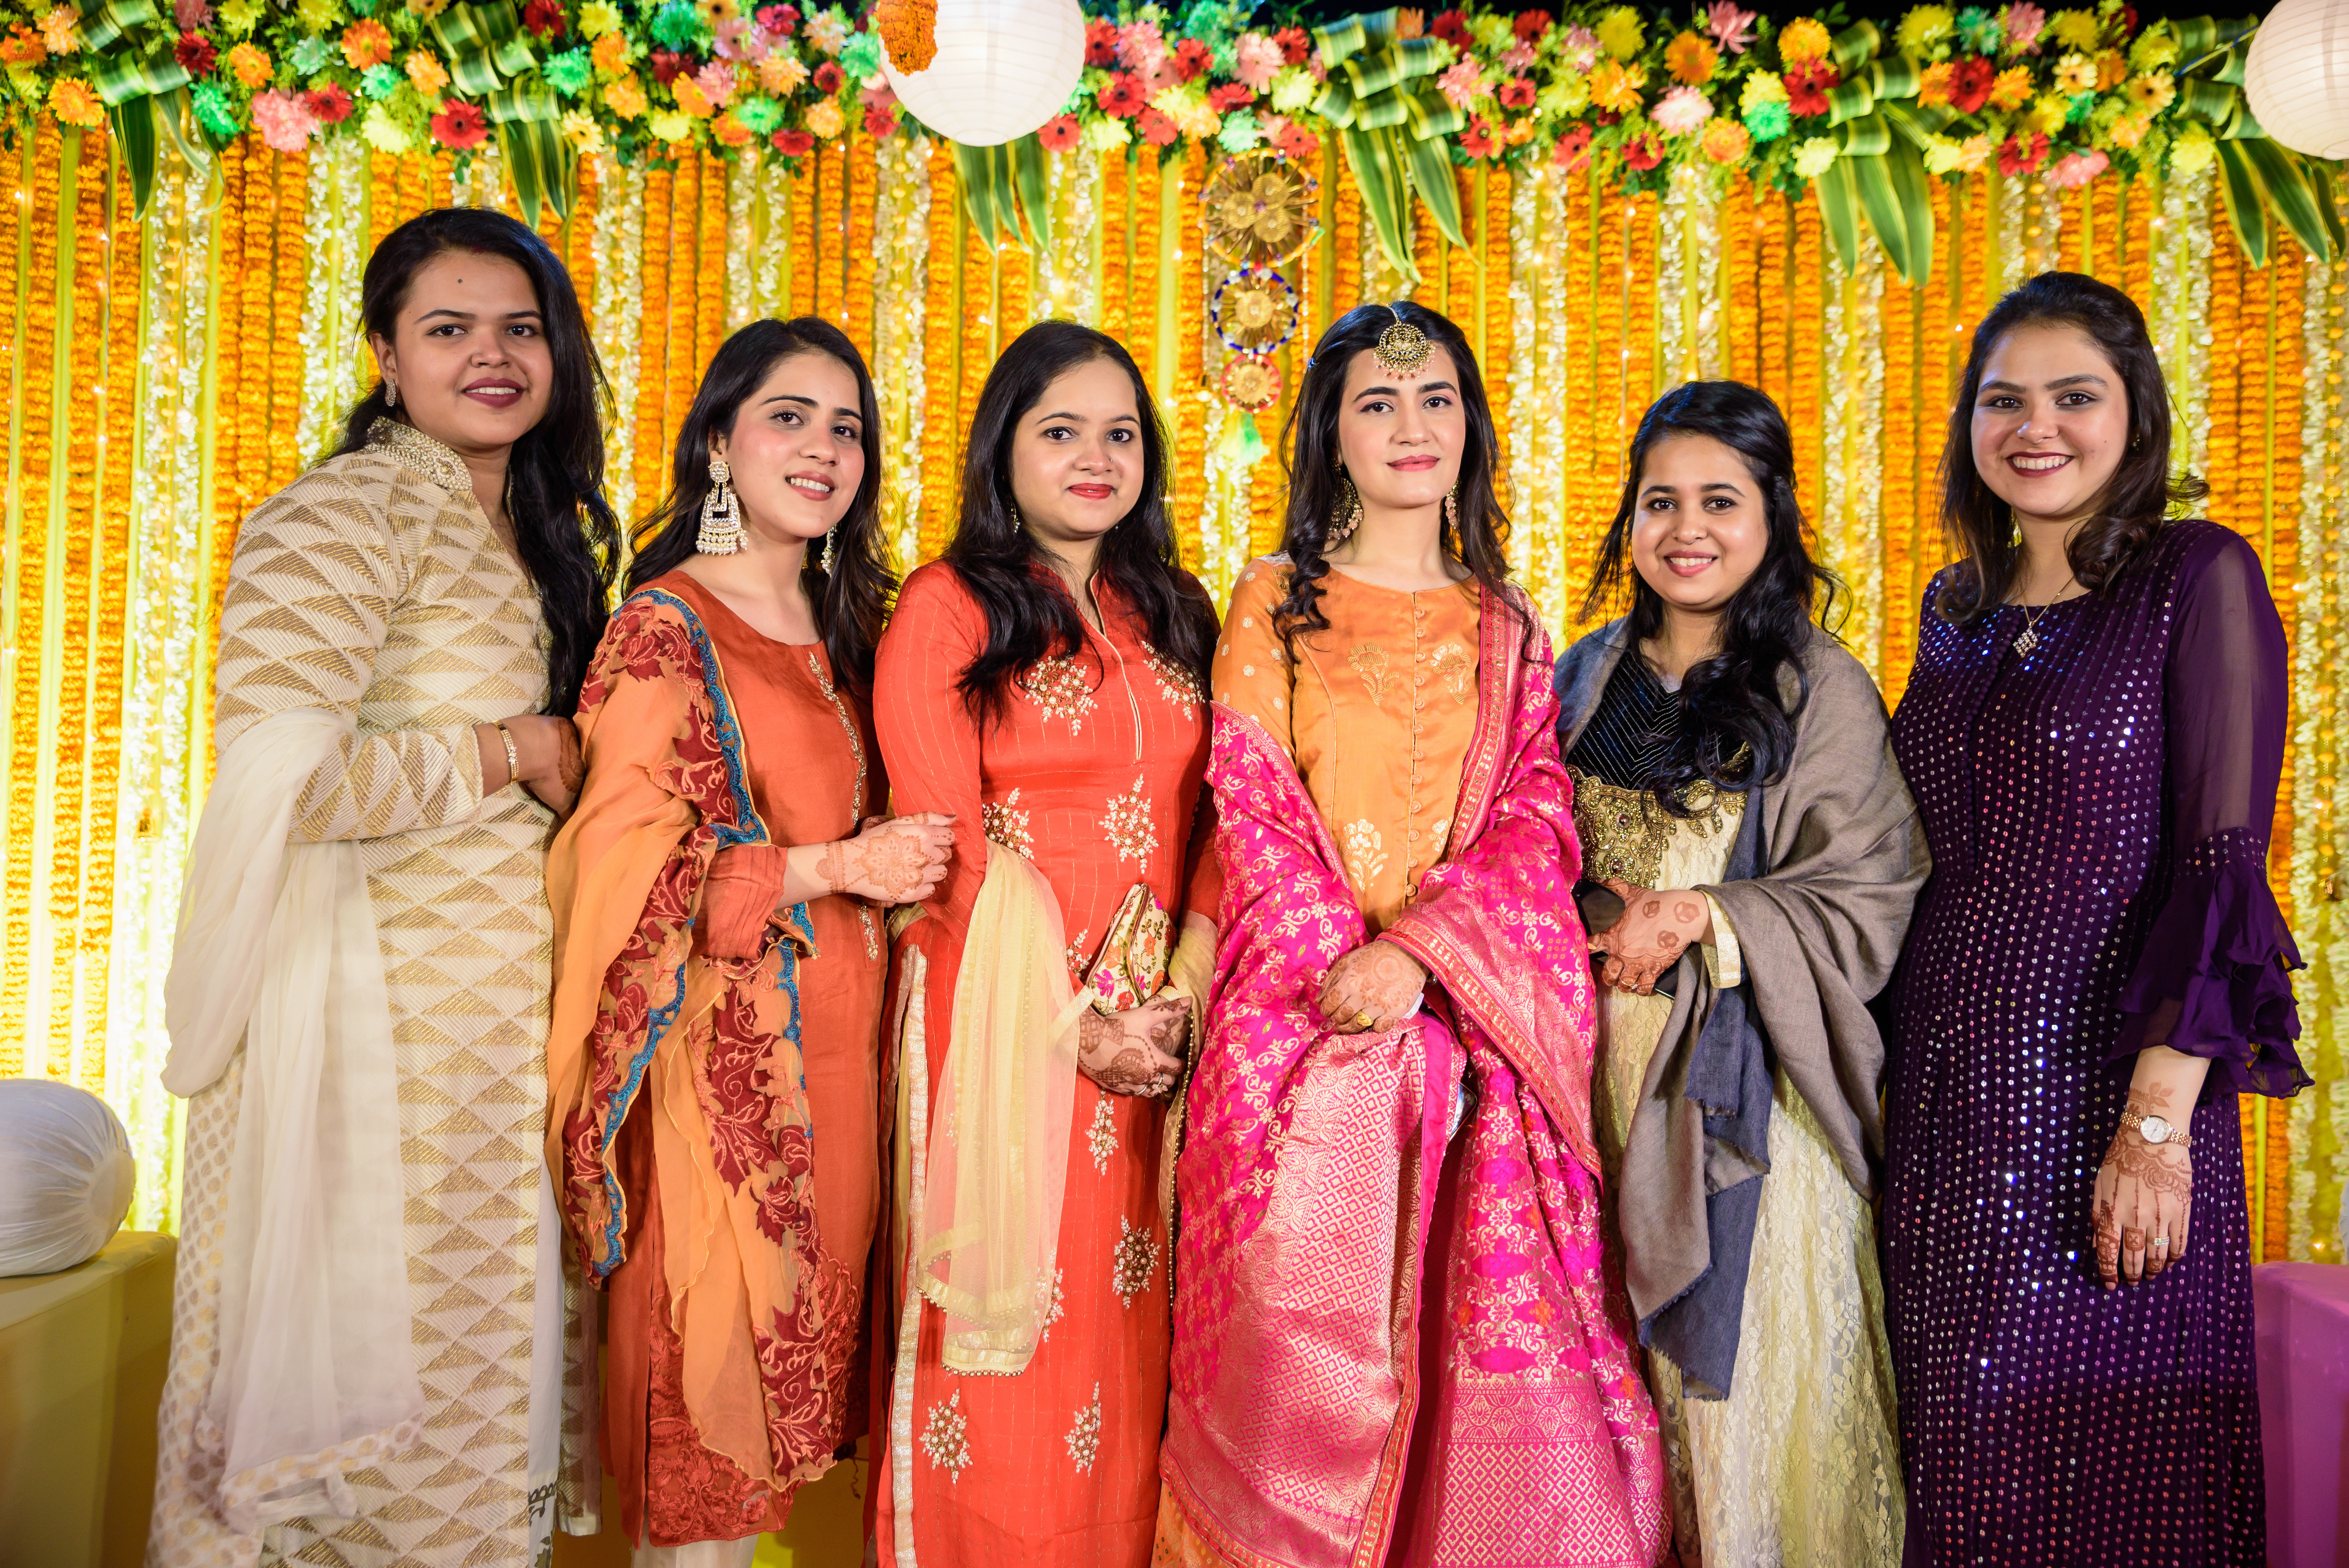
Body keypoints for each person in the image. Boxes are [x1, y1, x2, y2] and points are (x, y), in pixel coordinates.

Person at [1156, 301, 1670, 1567]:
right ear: (1331, 434)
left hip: (1474, 1037)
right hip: (1299, 1028)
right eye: (1377, 403)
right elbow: (1255, 802)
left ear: (1471, 429)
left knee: (1487, 1361)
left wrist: (1421, 960)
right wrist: (1349, 979)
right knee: (1292, 1365)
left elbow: (1536, 826)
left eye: (1436, 398)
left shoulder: (1506, 630)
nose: (1409, 425)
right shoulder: (1276, 602)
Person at [150, 207, 616, 1567]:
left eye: (520, 330)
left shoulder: (527, 538)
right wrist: (507, 748)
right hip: (368, 1049)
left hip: (490, 1059)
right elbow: (278, 789)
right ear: (385, 354)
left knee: (480, 1400)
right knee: (373, 1423)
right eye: (449, 329)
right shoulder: (340, 513)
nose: (491, 356)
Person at [1885, 271, 2308, 1566]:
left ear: (2137, 415)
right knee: (1955, 1470)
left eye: (2077, 396)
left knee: (2108, 1483)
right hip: (1937, 1114)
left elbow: (2220, 868)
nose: (2037, 427)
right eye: (2004, 400)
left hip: (2107, 1110)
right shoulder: (1953, 614)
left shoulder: (2196, 575)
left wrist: (2155, 1131)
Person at [542, 318, 952, 1568]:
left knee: (789, 1464)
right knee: (709, 1474)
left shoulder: (856, 624)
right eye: (790, 417)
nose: (825, 449)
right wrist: (834, 867)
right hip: (726, 1107)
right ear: (721, 441)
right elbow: (623, 883)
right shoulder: (668, 627)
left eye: (848, 428)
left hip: (851, 1096)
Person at [870, 320, 1221, 1566]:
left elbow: (1223, 819)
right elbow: (943, 849)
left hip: (1161, 1048)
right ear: (1003, 447)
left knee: (1132, 1352)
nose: (1094, 457)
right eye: (1060, 431)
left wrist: (1173, 999)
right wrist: (1077, 1028)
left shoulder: (1173, 609)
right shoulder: (949, 604)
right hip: (1002, 1037)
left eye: (1119, 434)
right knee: (999, 1359)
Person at [1555, 381, 1923, 1566]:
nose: (1687, 528)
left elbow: (1872, 889)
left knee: (1748, 1422)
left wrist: (1707, 916)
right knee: (1606, 1414)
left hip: (1745, 1107)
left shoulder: (1818, 686)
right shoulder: (1580, 676)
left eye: (1721, 499)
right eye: (1660, 501)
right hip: (1578, 1104)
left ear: (1773, 517)